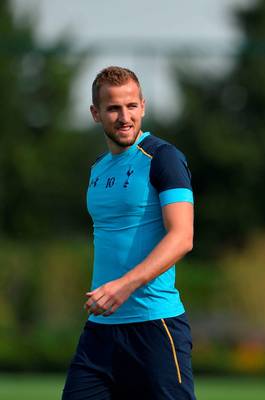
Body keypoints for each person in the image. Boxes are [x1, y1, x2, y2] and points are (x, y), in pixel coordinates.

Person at [62, 66, 196, 399]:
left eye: (131, 106)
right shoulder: (97, 168)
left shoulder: (164, 158)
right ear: (96, 113)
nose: (125, 117)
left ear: (143, 106)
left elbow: (182, 237)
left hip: (154, 328)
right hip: (101, 333)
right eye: (113, 108)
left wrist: (123, 286)